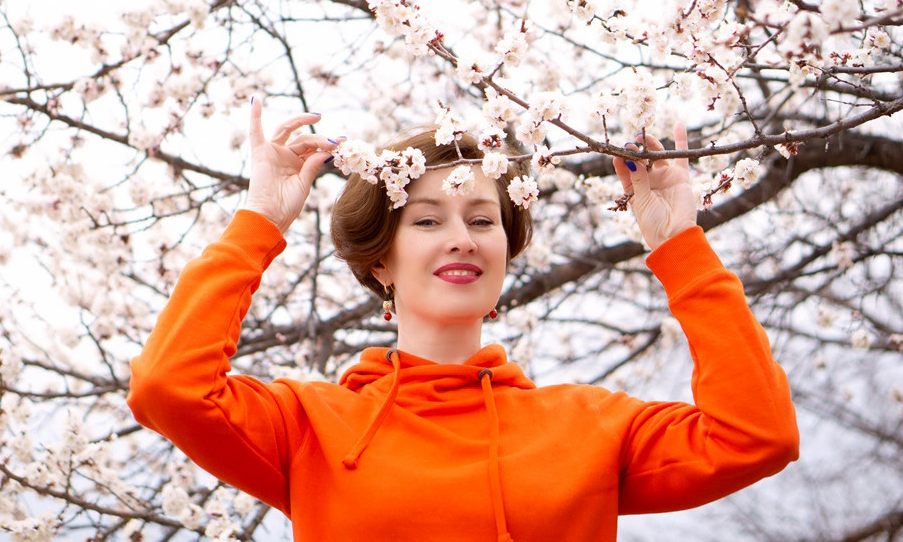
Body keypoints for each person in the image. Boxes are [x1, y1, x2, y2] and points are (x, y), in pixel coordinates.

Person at [127, 99, 799, 541]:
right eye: (426, 220)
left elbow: (755, 437)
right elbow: (168, 388)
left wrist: (677, 243)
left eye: (482, 220)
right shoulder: (311, 427)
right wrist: (259, 222)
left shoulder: (590, 427)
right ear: (380, 261)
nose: (462, 238)